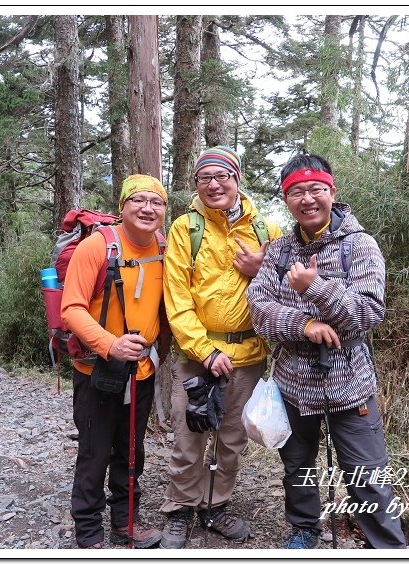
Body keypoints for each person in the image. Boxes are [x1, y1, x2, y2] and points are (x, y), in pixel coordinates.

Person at [246, 153, 407, 550]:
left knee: (366, 473)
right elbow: (258, 308)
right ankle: (304, 529)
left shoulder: (360, 246)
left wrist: (315, 287)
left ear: (332, 192)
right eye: (296, 192)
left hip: (349, 381)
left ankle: (387, 546)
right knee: (296, 464)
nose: (308, 199)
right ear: (286, 200)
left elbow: (367, 313)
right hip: (292, 383)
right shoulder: (280, 250)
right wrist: (305, 325)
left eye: (316, 189)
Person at [159, 146, 282, 549]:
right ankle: (179, 508)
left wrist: (263, 268)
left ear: (237, 179)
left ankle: (214, 505)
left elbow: (287, 288)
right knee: (189, 434)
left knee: (231, 440)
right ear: (196, 185)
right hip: (197, 358)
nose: (214, 185)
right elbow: (176, 298)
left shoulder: (267, 230)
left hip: (248, 358)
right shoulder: (185, 229)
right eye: (204, 178)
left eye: (221, 176)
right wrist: (205, 350)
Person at [61, 174, 171, 549]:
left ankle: (126, 523)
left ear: (163, 210)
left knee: (131, 451)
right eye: (138, 200)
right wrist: (110, 344)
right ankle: (89, 532)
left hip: (142, 369)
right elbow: (71, 309)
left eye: (156, 202)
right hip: (97, 369)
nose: (147, 208)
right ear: (122, 207)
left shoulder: (163, 246)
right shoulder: (96, 247)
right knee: (95, 452)